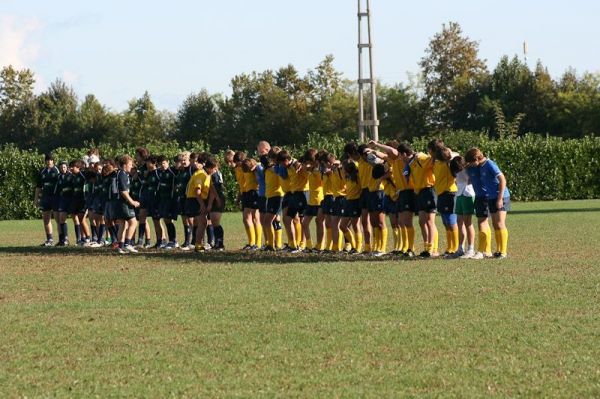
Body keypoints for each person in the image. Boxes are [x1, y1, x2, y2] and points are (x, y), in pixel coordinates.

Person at [466, 148, 510, 259]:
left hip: (501, 196)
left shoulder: (490, 164)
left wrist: (500, 198)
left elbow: (502, 180)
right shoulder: (480, 166)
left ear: (476, 159)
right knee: (495, 225)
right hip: (491, 197)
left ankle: (503, 252)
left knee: (500, 223)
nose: (470, 165)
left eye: (471, 162)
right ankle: (498, 251)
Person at [398, 144, 438, 257]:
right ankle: (427, 248)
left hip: (428, 190)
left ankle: (432, 249)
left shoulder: (420, 157)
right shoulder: (410, 163)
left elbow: (433, 160)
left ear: (405, 154)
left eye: (400, 155)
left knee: (430, 221)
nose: (400, 158)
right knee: (422, 221)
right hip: (419, 192)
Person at [432, 145, 460, 257]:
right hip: (440, 194)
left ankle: (455, 247)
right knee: (445, 222)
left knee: (451, 221)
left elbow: (457, 155)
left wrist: (448, 152)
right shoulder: (437, 163)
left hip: (450, 193)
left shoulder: (450, 163)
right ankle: (449, 247)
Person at [112, 155, 140, 254]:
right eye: (130, 164)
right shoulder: (122, 174)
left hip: (118, 202)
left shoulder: (120, 173)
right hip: (123, 202)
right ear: (124, 165)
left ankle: (121, 247)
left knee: (122, 224)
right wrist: (132, 201)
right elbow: (123, 191)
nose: (131, 166)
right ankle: (128, 244)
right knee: (133, 222)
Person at [451, 156, 476, 258]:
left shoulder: (468, 167)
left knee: (468, 223)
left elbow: (471, 179)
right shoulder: (454, 166)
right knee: (459, 222)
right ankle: (460, 248)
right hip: (459, 194)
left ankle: (471, 249)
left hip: (468, 194)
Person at [301, 149, 325, 252]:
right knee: (304, 223)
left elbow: (321, 181)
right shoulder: (311, 169)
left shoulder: (319, 169)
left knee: (319, 221)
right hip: (311, 200)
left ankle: (320, 246)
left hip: (320, 199)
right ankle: (309, 245)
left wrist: (314, 171)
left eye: (310, 161)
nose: (308, 163)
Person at [35, 153, 60, 246]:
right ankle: (49, 240)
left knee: (58, 219)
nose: (49, 161)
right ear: (45, 161)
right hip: (45, 198)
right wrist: (36, 199)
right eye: (47, 160)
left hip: (55, 197)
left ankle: (62, 239)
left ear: (53, 161)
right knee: (46, 219)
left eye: (50, 160)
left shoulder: (57, 170)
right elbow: (38, 187)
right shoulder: (42, 171)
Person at [156, 155, 178, 249]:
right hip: (163, 199)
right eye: (160, 164)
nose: (162, 165)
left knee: (168, 219)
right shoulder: (160, 173)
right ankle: (170, 241)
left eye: (164, 163)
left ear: (168, 162)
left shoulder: (172, 172)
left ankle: (173, 241)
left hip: (170, 199)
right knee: (165, 219)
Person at [341, 160, 362, 254]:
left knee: (356, 225)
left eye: (343, 168)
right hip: (348, 201)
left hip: (355, 202)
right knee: (342, 226)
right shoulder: (347, 177)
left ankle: (358, 247)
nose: (342, 169)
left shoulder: (357, 177)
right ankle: (353, 245)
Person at [69, 160, 91, 245]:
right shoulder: (74, 176)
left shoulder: (82, 176)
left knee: (82, 219)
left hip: (82, 201)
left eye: (72, 167)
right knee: (76, 218)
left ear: (78, 167)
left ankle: (88, 238)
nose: (70, 168)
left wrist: (86, 200)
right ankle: (80, 239)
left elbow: (86, 189)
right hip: (75, 200)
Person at [207, 158, 226, 250]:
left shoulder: (214, 175)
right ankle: (217, 243)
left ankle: (220, 243)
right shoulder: (217, 173)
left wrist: (210, 203)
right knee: (214, 222)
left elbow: (213, 191)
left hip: (217, 198)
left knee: (215, 222)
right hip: (218, 197)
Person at [55, 161, 74, 246]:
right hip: (62, 200)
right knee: (61, 218)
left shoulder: (71, 176)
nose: (63, 169)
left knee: (75, 219)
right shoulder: (58, 177)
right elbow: (57, 189)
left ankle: (80, 239)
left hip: (70, 199)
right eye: (61, 167)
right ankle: (63, 239)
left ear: (67, 168)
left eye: (64, 167)